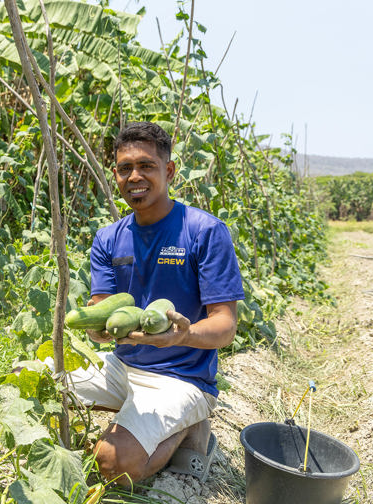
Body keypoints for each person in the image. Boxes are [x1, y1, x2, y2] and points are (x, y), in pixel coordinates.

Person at [72, 121, 245, 486]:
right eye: (124, 168)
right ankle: (140, 421)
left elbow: (225, 326)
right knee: (40, 383)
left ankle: (190, 429)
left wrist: (179, 337)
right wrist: (96, 327)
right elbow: (102, 303)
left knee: (110, 466)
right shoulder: (108, 238)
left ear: (168, 171)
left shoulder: (205, 231)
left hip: (182, 377)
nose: (134, 176)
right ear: (116, 175)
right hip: (121, 366)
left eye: (146, 166)